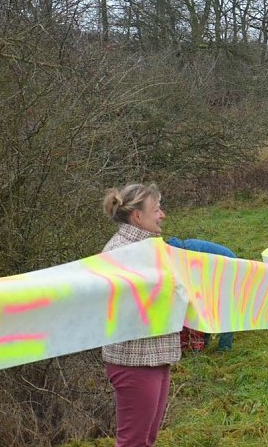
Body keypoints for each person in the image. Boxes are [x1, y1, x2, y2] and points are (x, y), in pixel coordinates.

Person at [101, 183, 179, 447]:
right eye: (156, 210)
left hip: (156, 355)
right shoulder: (119, 253)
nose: (162, 215)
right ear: (137, 216)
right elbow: (121, 309)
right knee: (133, 442)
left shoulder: (150, 249)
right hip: (134, 360)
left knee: (146, 439)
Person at [167, 237, 238, 352]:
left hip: (229, 269)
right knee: (207, 308)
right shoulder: (185, 249)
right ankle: (204, 341)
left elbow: (193, 275)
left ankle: (224, 347)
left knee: (223, 310)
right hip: (215, 271)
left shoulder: (191, 251)